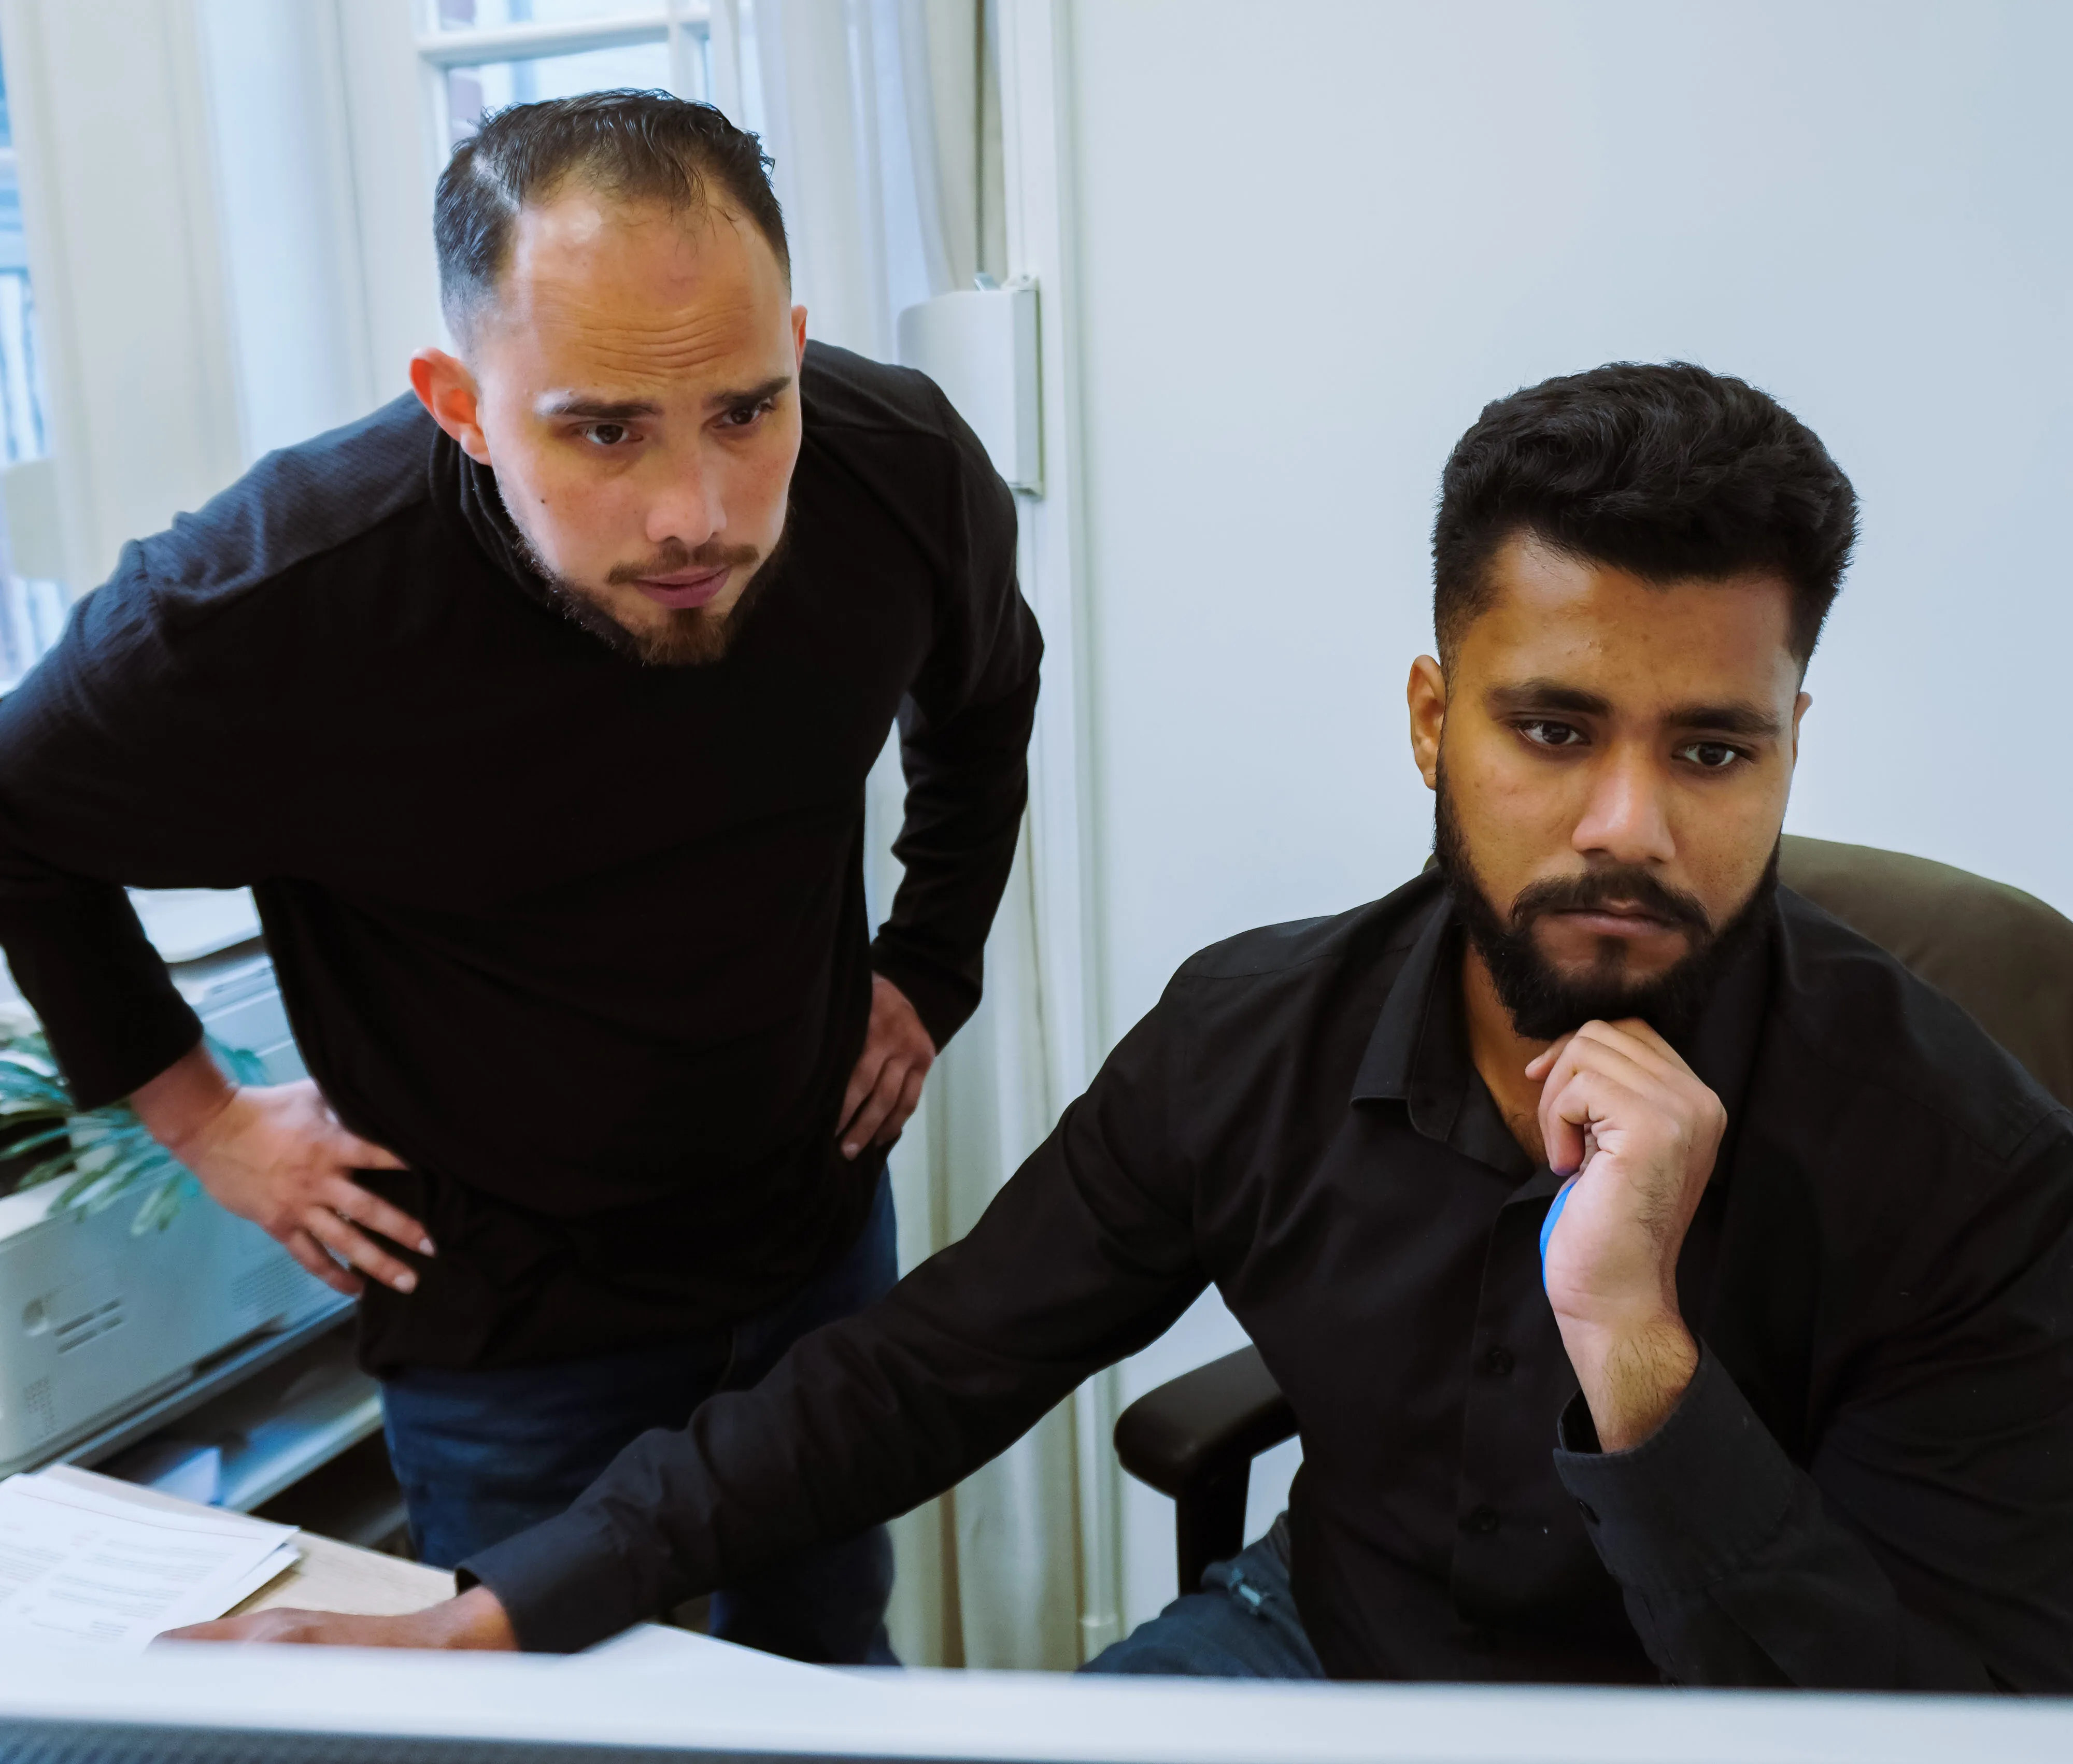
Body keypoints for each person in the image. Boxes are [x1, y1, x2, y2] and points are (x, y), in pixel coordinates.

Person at [174, 364, 2073, 1691]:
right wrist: (508, 1605)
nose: (1626, 825)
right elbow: (924, 1367)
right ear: (1432, 719)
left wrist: (1639, 1349)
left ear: (1793, 745)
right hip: (1322, 1646)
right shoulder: (1257, 1035)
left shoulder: (1961, 1157)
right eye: (1554, 727)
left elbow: (1928, 1710)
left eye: (1713, 747)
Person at [0, 93, 1041, 1665]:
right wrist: (198, 1113)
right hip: (504, 1312)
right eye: (604, 429)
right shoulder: (271, 600)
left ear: (798, 345)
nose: (694, 510)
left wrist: (931, 964)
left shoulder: (897, 467)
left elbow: (982, 700)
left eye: (749, 411)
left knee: (829, 1674)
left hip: (809, 1238)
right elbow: (16, 813)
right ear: (462, 403)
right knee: (545, 1720)